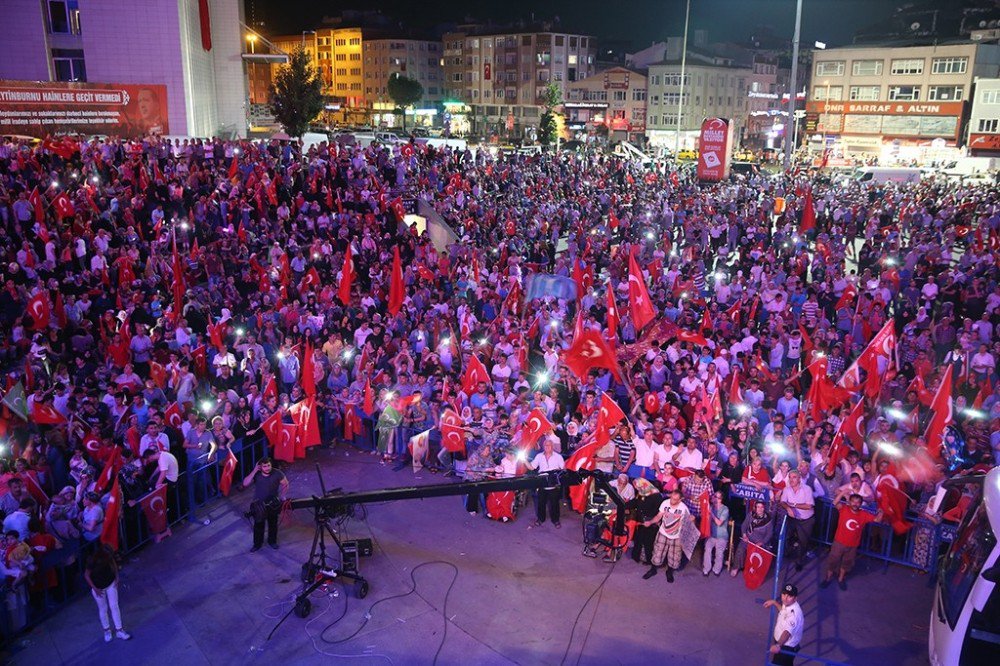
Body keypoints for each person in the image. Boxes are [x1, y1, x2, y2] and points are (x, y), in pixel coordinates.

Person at [821, 493, 881, 591]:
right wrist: (842, 492)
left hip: (853, 545)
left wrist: (881, 511)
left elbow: (877, 520)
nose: (855, 504)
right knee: (833, 561)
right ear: (849, 502)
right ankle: (827, 578)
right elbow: (835, 502)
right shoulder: (844, 509)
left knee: (847, 563)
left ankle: (841, 579)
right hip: (838, 543)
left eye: (858, 502)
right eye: (853, 501)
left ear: (861, 504)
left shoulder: (864, 514)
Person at [643, 487, 693, 583]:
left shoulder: (683, 508)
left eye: (674, 500)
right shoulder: (665, 503)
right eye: (671, 498)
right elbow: (658, 516)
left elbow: (687, 526)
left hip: (676, 536)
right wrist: (650, 522)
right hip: (663, 532)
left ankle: (669, 572)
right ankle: (653, 570)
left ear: (680, 499)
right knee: (657, 552)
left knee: (674, 556)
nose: (672, 501)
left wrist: (692, 521)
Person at [84, 545, 131, 642]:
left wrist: (117, 576)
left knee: (114, 606)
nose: (110, 557)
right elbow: (87, 575)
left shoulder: (109, 557)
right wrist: (94, 588)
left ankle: (119, 630)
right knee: (103, 609)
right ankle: (107, 630)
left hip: (110, 583)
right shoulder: (92, 561)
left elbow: (113, 563)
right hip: (99, 588)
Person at [243, 457, 288, 551]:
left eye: (268, 465)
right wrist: (254, 470)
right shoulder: (257, 474)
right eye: (264, 466)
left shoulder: (277, 473)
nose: (267, 468)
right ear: (260, 467)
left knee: (273, 524)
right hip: (259, 505)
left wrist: (283, 496)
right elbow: (245, 483)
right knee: (258, 525)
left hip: (272, 504)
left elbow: (285, 484)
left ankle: (272, 541)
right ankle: (257, 544)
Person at [779, 470, 815, 571]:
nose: (791, 479)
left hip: (806, 520)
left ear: (799, 479)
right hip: (793, 518)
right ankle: (787, 553)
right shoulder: (786, 489)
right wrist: (788, 508)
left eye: (794, 477)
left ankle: (799, 561)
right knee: (787, 536)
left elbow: (809, 506)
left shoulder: (807, 489)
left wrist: (794, 505)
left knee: (803, 541)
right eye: (790, 477)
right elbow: (782, 502)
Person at [528, 436, 564, 528]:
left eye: (549, 445)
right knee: (541, 503)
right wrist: (524, 460)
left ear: (552, 447)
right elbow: (532, 467)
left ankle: (556, 520)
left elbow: (563, 469)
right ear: (543, 446)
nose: (547, 447)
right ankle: (540, 519)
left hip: (553, 484)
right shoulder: (539, 456)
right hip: (542, 483)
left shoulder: (558, 457)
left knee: (554, 504)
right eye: (545, 445)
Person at [763, 583, 803, 665]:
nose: (785, 598)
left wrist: (778, 645)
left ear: (795, 598)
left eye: (789, 596)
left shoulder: (794, 614)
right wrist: (774, 603)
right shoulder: (788, 604)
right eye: (784, 594)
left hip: (786, 646)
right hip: (782, 643)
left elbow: (787, 632)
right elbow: (783, 612)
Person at [732, 500, 775, 576]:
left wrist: (762, 542)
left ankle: (755, 571)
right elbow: (744, 526)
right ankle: (736, 567)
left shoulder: (768, 519)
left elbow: (770, 533)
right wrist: (744, 535)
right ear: (755, 507)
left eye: (761, 507)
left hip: (760, 542)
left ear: (764, 508)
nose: (760, 509)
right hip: (748, 539)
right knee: (741, 548)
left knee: (758, 554)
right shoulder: (750, 515)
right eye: (758, 507)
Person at [703, 490, 730, 576]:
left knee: (719, 552)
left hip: (722, 536)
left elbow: (719, 523)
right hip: (711, 535)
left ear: (721, 499)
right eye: (714, 496)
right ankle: (706, 569)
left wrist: (711, 514)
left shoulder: (725, 509)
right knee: (707, 549)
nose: (715, 499)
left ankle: (716, 569)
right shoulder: (710, 507)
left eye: (717, 497)